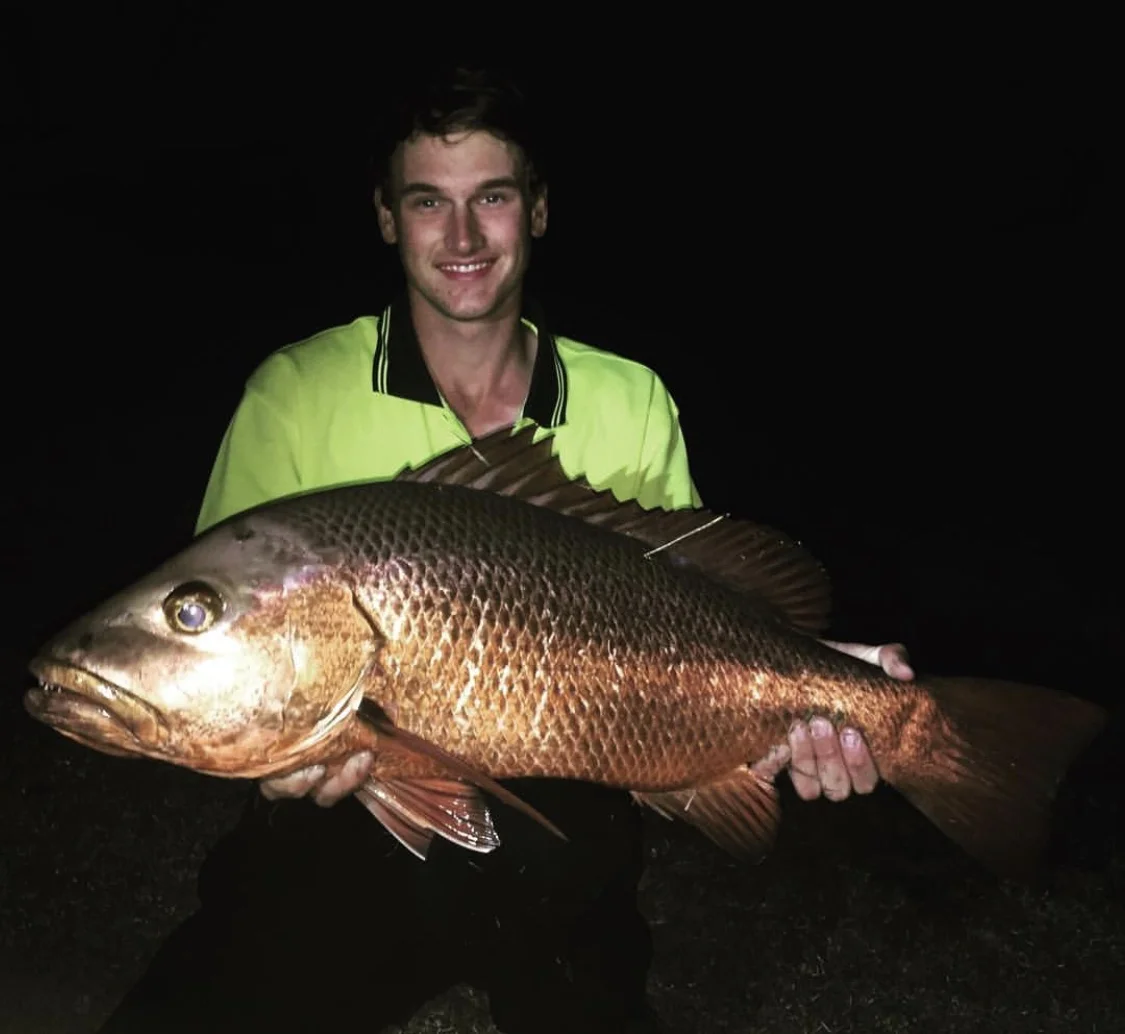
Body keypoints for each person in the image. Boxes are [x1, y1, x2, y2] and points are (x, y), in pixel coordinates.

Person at [99, 65, 913, 1034]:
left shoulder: (627, 399)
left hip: (571, 821)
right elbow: (232, 650)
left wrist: (814, 684)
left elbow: (700, 620)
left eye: (490, 198)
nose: (462, 237)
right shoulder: (295, 394)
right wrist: (277, 758)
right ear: (387, 218)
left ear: (537, 210)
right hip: (335, 824)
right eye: (427, 202)